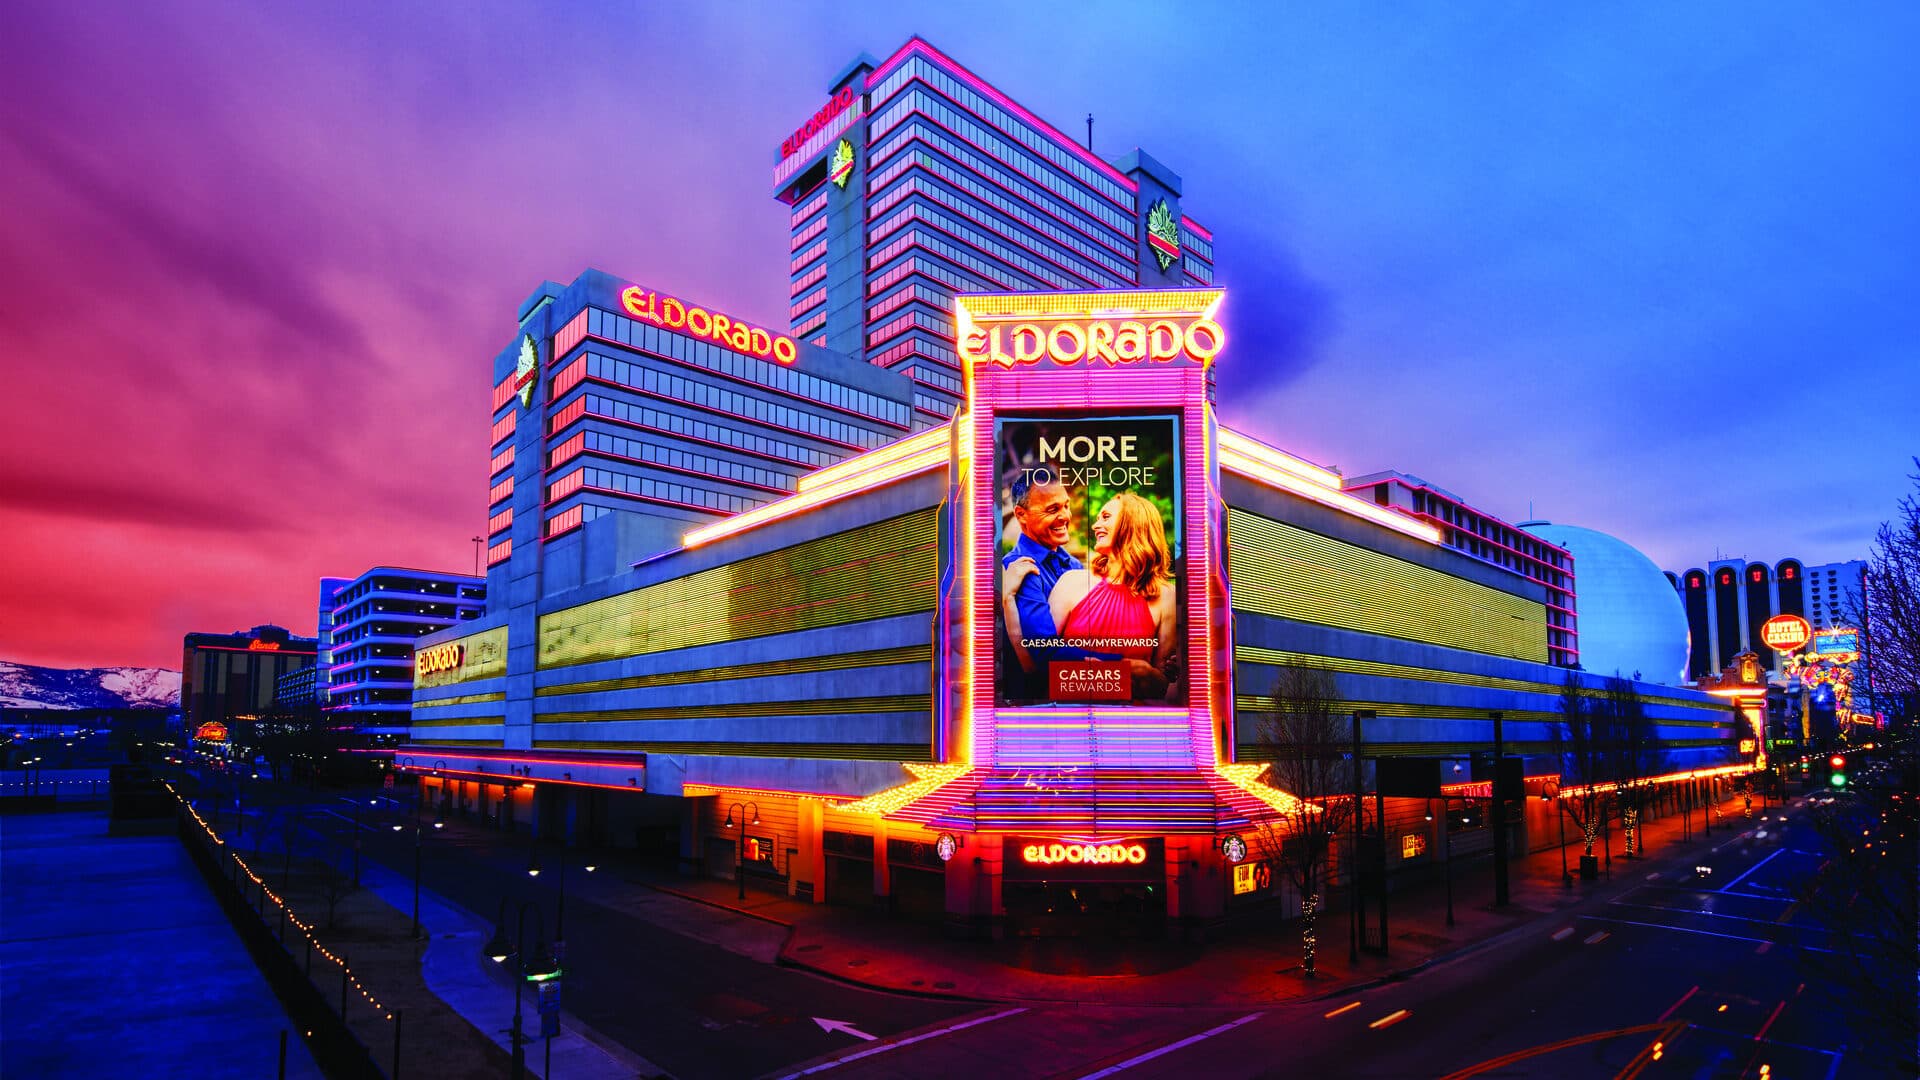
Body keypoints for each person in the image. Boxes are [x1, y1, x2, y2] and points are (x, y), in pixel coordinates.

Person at [1005, 491, 1178, 699]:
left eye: (1105, 517)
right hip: (1066, 717)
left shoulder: (1165, 595)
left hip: (1129, 722)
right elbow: (1036, 663)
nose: (1095, 527)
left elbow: (1161, 685)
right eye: (1097, 520)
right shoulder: (1072, 581)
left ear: (1134, 522)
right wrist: (1008, 599)